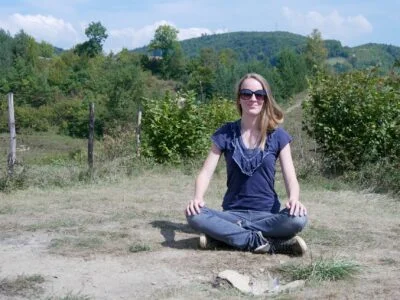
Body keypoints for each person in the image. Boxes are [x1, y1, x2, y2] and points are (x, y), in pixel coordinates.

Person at [185, 73, 308, 256]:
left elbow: (291, 177)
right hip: (232, 214)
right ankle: (268, 243)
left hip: (268, 215)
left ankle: (225, 238)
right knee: (193, 214)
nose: (253, 98)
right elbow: (206, 172)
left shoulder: (278, 136)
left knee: (298, 219)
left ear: (266, 99)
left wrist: (294, 199)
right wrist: (197, 197)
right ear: (239, 99)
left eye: (259, 94)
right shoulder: (225, 133)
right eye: (246, 93)